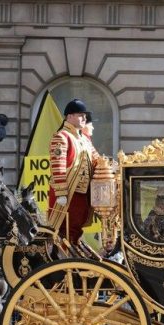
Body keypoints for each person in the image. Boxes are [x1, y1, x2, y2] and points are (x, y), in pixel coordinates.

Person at [48, 99, 101, 244]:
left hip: (83, 194)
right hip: (67, 194)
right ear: (69, 116)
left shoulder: (85, 139)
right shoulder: (61, 137)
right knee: (63, 229)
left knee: (77, 227)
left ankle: (74, 253)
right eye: (80, 115)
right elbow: (57, 167)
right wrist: (60, 193)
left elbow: (97, 160)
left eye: (84, 115)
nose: (84, 118)